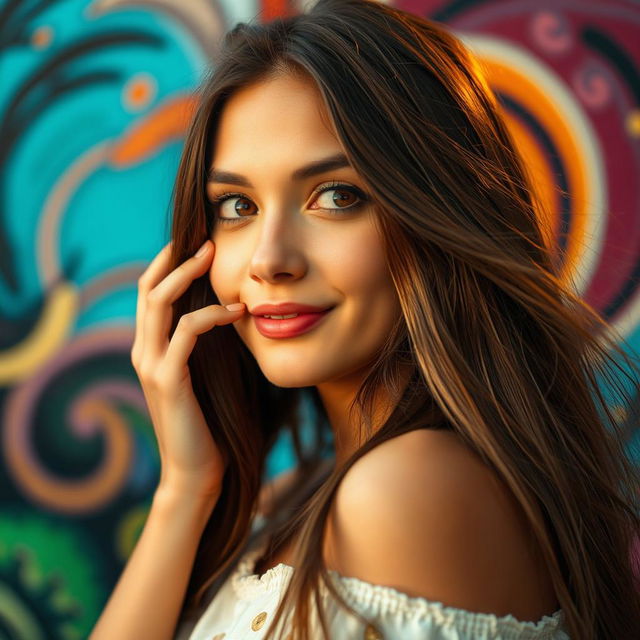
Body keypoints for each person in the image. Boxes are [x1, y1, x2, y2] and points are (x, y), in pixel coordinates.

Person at [89, 0, 640, 638]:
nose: (270, 260)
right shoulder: (301, 499)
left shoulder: (402, 492)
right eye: (237, 204)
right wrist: (185, 491)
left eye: (337, 196)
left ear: (438, 214)